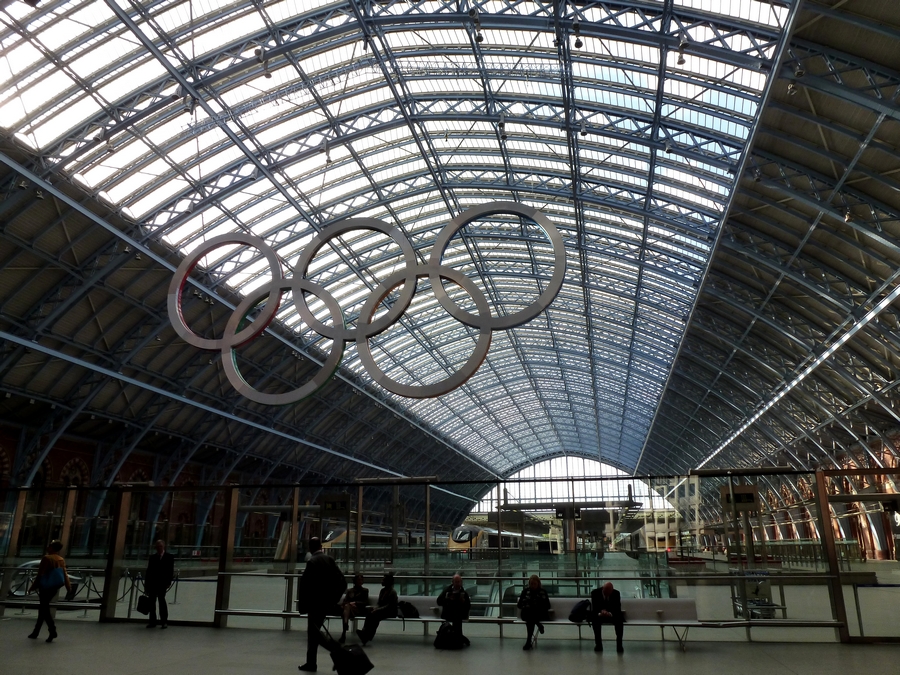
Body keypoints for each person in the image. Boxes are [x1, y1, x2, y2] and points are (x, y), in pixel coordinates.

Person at [297, 537, 347, 672]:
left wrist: (303, 606)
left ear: (310, 548)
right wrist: (334, 599)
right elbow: (342, 582)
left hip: (314, 605)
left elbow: (306, 587)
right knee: (314, 633)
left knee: (314, 633)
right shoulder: (329, 560)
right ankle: (311, 662)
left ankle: (336, 651)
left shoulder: (312, 562)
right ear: (320, 546)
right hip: (326, 604)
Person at [28, 540, 71, 643]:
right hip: (54, 587)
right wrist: (68, 586)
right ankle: (36, 632)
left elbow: (40, 574)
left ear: (52, 548)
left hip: (45, 587)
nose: (48, 547)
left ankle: (52, 630)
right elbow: (64, 574)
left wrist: (33, 586)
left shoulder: (47, 558)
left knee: (44, 609)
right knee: (43, 608)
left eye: (49, 546)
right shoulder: (60, 559)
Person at [356, 572, 397, 645]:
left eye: (383, 580)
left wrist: (377, 610)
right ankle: (365, 633)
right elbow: (379, 603)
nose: (381, 581)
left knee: (375, 616)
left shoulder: (392, 592)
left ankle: (366, 635)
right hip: (383, 610)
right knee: (370, 614)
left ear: (388, 581)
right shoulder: (382, 591)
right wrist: (375, 608)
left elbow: (390, 606)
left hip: (390, 611)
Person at [144, 539, 175, 629]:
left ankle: (164, 621)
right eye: (157, 547)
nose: (159, 548)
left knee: (162, 602)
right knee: (152, 603)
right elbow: (149, 571)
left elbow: (170, 571)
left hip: (162, 583)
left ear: (164, 546)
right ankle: (152, 621)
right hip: (153, 583)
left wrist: (168, 582)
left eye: (160, 546)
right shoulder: (152, 557)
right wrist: (147, 584)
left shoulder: (169, 557)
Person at [436, 573, 471, 647]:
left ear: (461, 582)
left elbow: (468, 606)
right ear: (452, 582)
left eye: (459, 582)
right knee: (457, 618)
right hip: (449, 613)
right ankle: (458, 639)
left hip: (458, 613)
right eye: (456, 582)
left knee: (457, 617)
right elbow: (439, 601)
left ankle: (457, 639)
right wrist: (448, 599)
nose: (457, 584)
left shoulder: (464, 593)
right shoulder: (447, 591)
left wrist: (463, 602)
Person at [517, 574, 550, 650]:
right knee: (530, 615)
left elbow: (548, 605)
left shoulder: (543, 592)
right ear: (529, 584)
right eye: (531, 584)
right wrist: (526, 605)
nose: (533, 586)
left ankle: (529, 641)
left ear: (538, 584)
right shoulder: (525, 591)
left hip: (538, 613)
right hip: (527, 613)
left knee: (530, 618)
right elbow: (519, 605)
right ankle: (538, 624)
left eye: (534, 584)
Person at [590, 581, 624, 653]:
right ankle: (598, 644)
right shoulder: (595, 593)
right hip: (599, 614)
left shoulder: (616, 593)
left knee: (619, 621)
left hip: (611, 614)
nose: (608, 594)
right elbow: (595, 607)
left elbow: (617, 608)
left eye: (609, 592)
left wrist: (609, 613)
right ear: (603, 589)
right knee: (595, 621)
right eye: (606, 592)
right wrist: (601, 612)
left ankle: (619, 645)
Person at [339, 573, 369, 643]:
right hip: (349, 609)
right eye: (358, 580)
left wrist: (355, 603)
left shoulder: (365, 591)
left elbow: (365, 602)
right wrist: (350, 604)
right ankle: (345, 626)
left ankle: (344, 631)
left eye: (361, 580)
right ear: (355, 581)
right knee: (347, 608)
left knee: (345, 612)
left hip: (358, 609)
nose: (360, 581)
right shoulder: (350, 591)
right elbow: (345, 601)